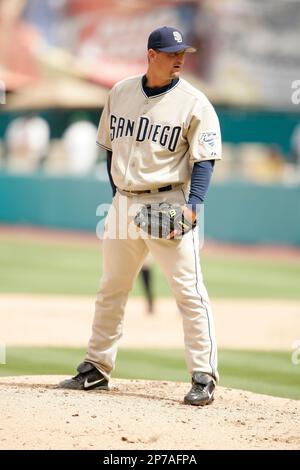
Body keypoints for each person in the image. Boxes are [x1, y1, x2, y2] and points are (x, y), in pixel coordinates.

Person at [58, 26, 222, 406]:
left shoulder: (194, 102)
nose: (180, 58)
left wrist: (194, 204)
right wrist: (118, 197)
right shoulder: (120, 92)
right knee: (111, 288)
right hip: (123, 204)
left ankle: (203, 375)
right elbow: (109, 148)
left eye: (183, 52)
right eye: (171, 53)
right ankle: (96, 368)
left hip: (169, 203)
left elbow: (205, 159)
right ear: (151, 54)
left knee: (190, 293)